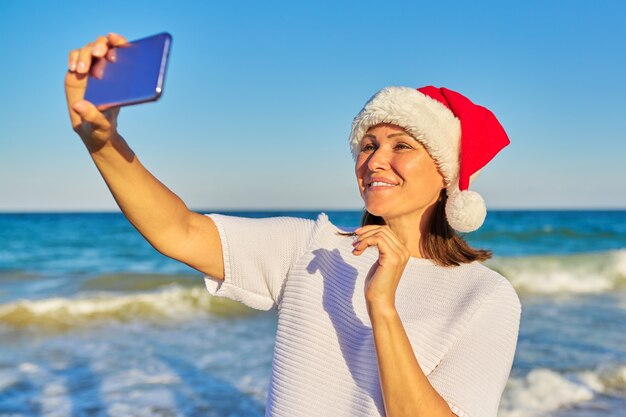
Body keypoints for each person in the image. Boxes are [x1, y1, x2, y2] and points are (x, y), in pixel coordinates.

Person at [65, 33, 521, 417]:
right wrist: (103, 142)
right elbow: (178, 230)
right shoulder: (313, 249)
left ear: (446, 174)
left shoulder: (485, 297)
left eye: (401, 145)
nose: (375, 159)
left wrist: (382, 306)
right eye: (368, 144)